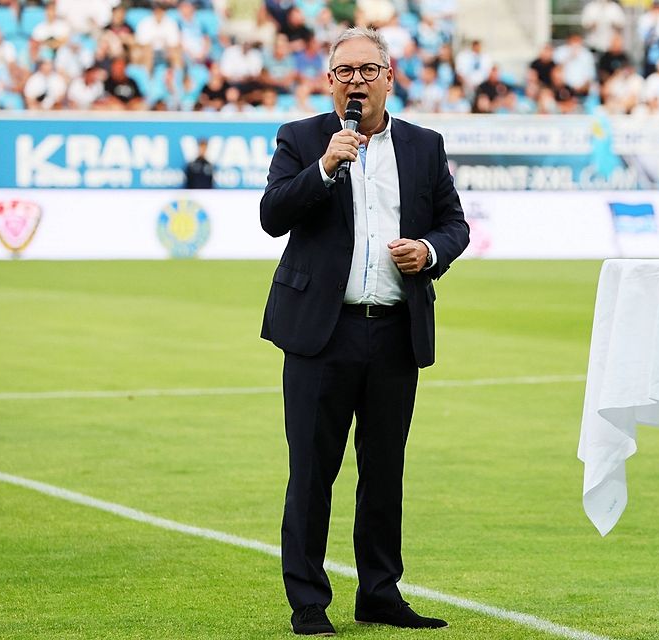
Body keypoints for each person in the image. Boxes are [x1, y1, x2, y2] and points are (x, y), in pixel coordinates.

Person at [259, 26, 469, 637]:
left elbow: (456, 224)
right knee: (312, 472)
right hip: (321, 335)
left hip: (394, 331)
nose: (356, 80)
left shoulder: (425, 146)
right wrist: (324, 167)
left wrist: (429, 251)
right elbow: (272, 215)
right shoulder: (301, 139)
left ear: (389, 77)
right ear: (330, 81)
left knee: (384, 470)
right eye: (344, 71)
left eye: (367, 69)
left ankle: (379, 593)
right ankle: (308, 603)